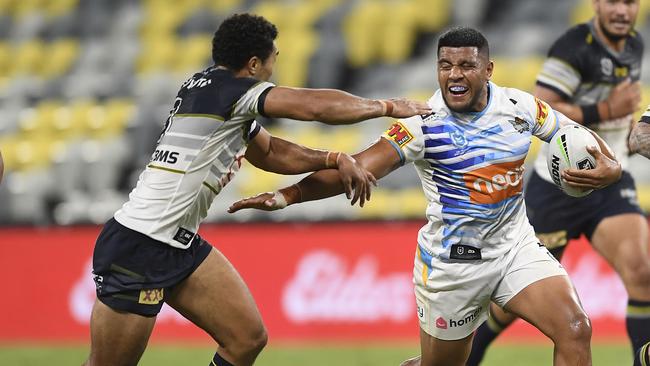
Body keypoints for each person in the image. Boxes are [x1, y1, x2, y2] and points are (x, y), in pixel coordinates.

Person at [228, 26, 622, 366]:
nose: (454, 74)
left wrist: (613, 167)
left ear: (488, 70)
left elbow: (572, 136)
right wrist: (288, 196)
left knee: (575, 329)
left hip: (514, 247)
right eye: (445, 65)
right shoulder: (422, 125)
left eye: (466, 66)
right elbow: (359, 167)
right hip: (453, 267)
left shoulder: (520, 107)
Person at [82, 13, 431, 366]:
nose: (274, 69)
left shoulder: (209, 91)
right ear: (253, 65)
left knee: (246, 339)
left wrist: (332, 156)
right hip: (141, 244)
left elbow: (271, 152)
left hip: (178, 244)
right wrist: (386, 106)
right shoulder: (234, 92)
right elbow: (313, 107)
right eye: (273, 59)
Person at [466, 1, 650, 365]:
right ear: (596, 4)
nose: (622, 11)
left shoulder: (633, 46)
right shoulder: (573, 47)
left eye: (630, 1)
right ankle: (466, 357)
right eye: (613, 1)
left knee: (642, 271)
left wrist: (629, 131)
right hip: (559, 185)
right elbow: (544, 104)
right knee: (509, 306)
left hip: (611, 177)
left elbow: (622, 116)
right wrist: (606, 111)